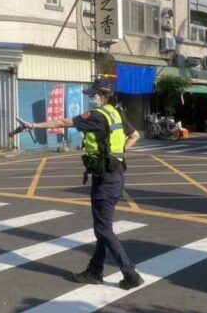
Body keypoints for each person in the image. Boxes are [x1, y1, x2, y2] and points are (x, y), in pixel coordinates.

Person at [16, 79, 144, 290]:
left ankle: (130, 273)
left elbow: (63, 123)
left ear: (104, 95)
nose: (90, 98)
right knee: (103, 227)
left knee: (103, 228)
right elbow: (135, 135)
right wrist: (117, 154)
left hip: (105, 179)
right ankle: (94, 271)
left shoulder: (96, 116)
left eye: (93, 95)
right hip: (116, 175)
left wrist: (33, 125)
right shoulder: (116, 112)